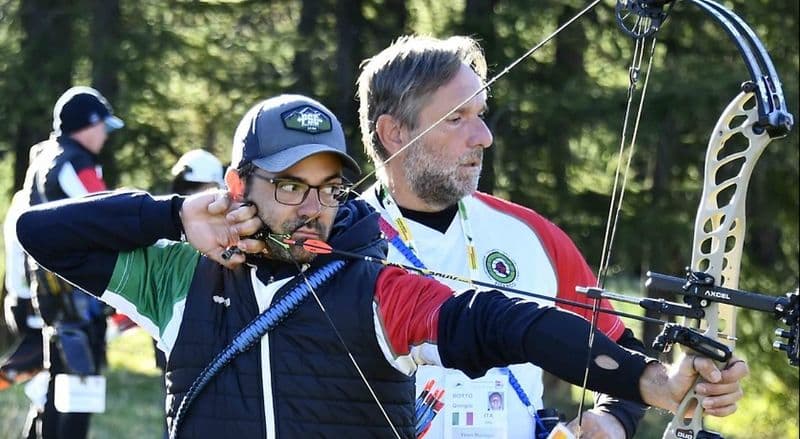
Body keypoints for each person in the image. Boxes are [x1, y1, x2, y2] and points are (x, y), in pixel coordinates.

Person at [16, 94, 748, 439]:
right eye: (288, 185)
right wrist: (173, 214)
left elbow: (500, 322)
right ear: (239, 187)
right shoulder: (179, 277)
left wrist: (651, 379)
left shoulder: (371, 285)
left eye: (328, 188)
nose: (312, 207)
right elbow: (41, 231)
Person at [356, 35, 649, 438]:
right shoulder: (339, 242)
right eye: (457, 118)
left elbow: (623, 349)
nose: (483, 137)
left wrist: (613, 419)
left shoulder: (530, 235)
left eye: (481, 114)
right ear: (394, 132)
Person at [18, 85, 124, 439]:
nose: (106, 134)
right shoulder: (74, 161)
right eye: (103, 126)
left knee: (58, 381)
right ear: (87, 124)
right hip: (76, 299)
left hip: (53, 294)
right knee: (79, 389)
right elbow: (108, 214)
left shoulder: (44, 160)